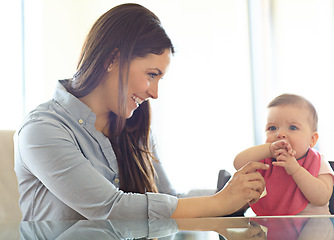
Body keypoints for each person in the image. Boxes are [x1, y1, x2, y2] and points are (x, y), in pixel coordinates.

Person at [14, 3, 268, 221]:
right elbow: (111, 209)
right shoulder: (41, 130)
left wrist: (237, 191)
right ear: (113, 59)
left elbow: (167, 200)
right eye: (151, 75)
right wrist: (220, 202)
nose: (155, 93)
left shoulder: (133, 125)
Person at [234, 93, 334, 215]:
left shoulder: (317, 162)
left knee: (315, 232)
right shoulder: (265, 158)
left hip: (312, 223)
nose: (280, 134)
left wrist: (295, 169)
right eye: (272, 128)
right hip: (271, 225)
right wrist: (269, 150)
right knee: (257, 231)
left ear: (312, 139)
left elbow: (321, 199)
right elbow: (238, 163)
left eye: (292, 127)